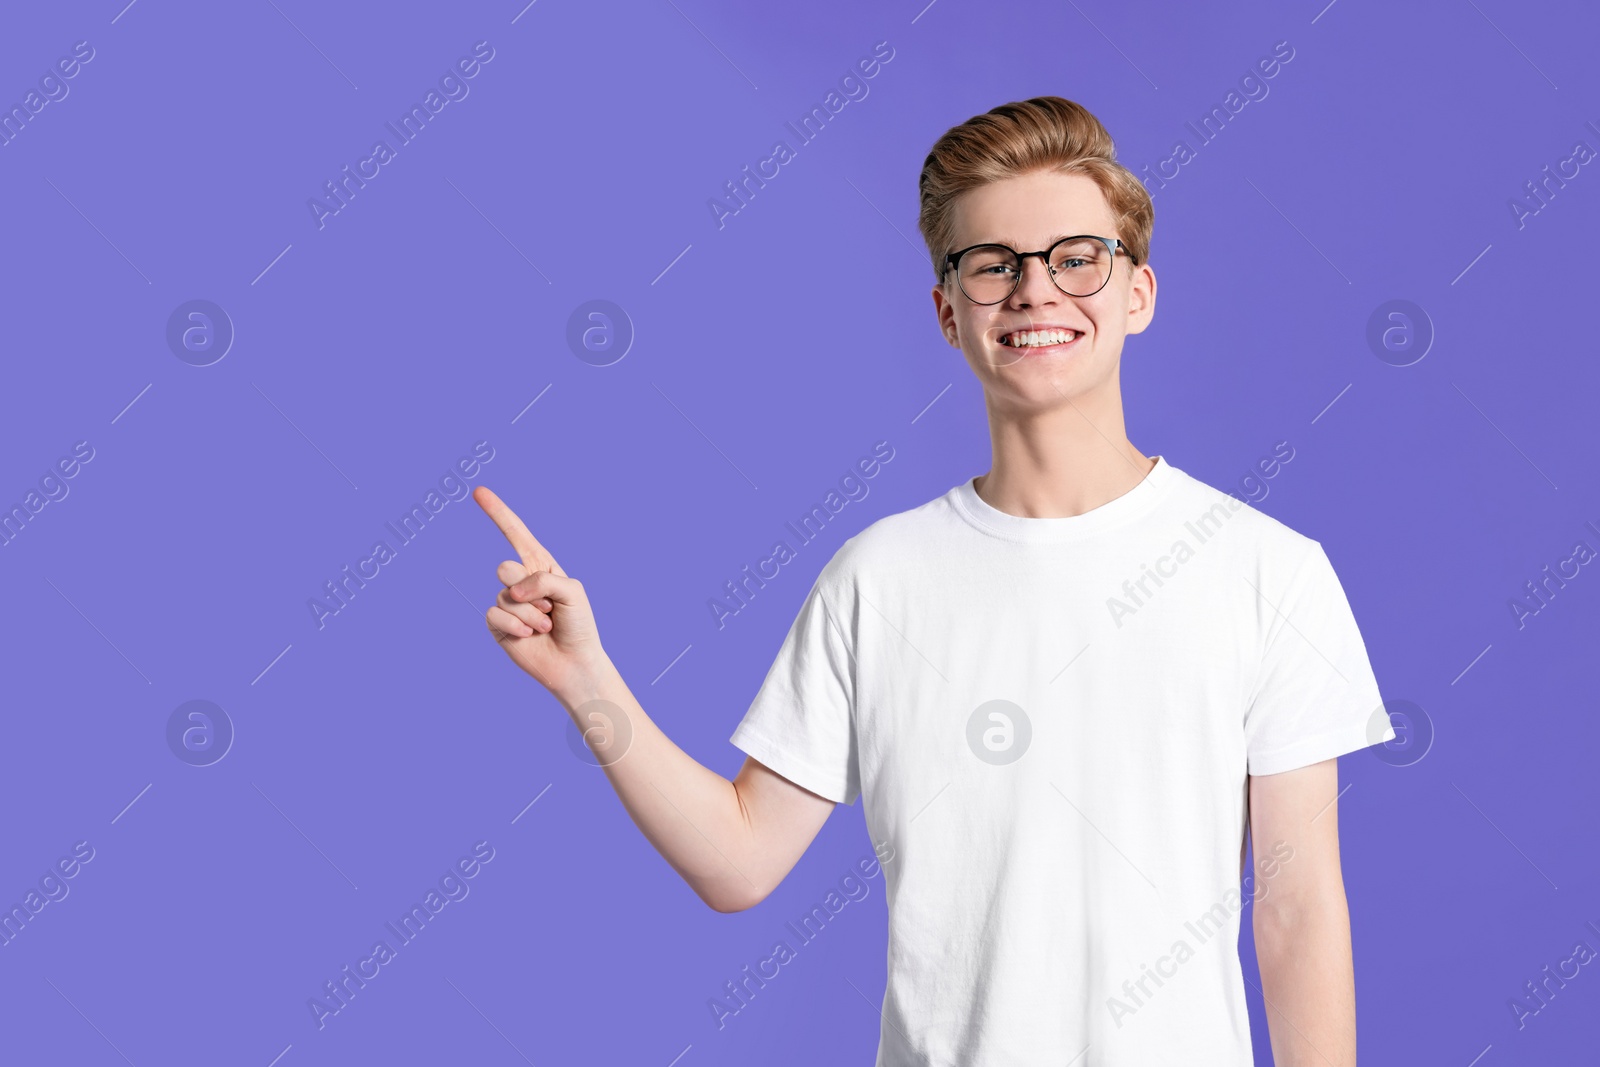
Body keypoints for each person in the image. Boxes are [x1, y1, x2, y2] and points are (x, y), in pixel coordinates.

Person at [473, 95, 1394, 1066]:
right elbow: (739, 860)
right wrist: (587, 681)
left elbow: (1294, 904)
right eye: (993, 264)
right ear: (948, 313)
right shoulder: (879, 579)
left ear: (1138, 293)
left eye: (1076, 256)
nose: (1036, 290)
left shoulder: (1263, 569)